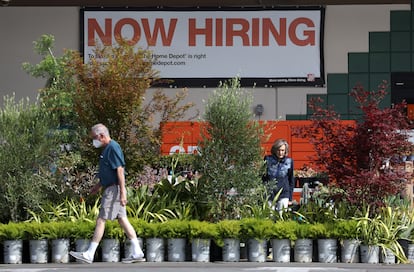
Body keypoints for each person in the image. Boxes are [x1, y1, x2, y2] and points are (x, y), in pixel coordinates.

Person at [70, 123, 145, 264]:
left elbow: (120, 170)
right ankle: (137, 252)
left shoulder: (113, 147)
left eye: (94, 138)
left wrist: (123, 193)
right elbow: (108, 172)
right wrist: (97, 186)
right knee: (122, 219)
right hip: (110, 188)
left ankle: (90, 254)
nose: (93, 140)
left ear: (102, 136)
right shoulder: (106, 150)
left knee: (101, 219)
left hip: (113, 190)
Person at [263, 138, 294, 216]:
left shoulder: (289, 161)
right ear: (275, 150)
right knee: (270, 216)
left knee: (282, 216)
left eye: (283, 150)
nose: (280, 152)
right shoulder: (267, 160)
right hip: (270, 193)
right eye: (278, 150)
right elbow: (263, 177)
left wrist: (290, 197)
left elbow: (291, 179)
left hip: (284, 193)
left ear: (285, 151)